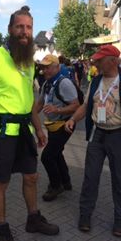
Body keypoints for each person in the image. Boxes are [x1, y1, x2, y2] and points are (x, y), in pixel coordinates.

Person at [0, 6, 59, 241]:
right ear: (10, 29)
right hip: (1, 133)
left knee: (31, 176)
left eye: (29, 27)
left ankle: (33, 219)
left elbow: (29, 100)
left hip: (25, 131)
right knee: (1, 182)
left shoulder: (28, 62)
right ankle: (2, 229)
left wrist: (39, 128)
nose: (25, 31)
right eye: (20, 27)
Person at [65, 44, 121, 237]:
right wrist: (72, 119)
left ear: (112, 61)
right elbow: (86, 106)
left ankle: (120, 221)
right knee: (90, 177)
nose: (95, 63)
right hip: (98, 134)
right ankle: (85, 215)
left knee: (120, 180)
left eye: (99, 60)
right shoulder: (96, 82)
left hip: (118, 136)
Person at [34, 54, 80, 202]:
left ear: (57, 67)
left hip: (65, 125)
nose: (44, 71)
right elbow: (39, 104)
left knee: (47, 156)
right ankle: (66, 182)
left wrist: (57, 110)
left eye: (48, 67)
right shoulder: (47, 83)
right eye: (43, 67)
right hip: (53, 125)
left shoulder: (64, 83)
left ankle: (56, 185)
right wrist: (29, 117)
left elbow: (76, 106)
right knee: (57, 153)